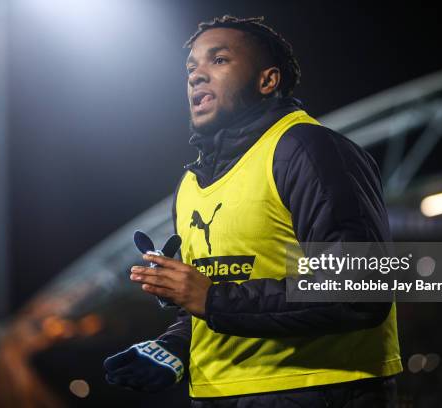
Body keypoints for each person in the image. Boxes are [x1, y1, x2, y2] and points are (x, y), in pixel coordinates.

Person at [104, 15, 402, 408]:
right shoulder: (189, 187)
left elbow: (360, 288)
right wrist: (174, 345)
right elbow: (208, 301)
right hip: (214, 397)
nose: (196, 76)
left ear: (267, 81)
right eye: (191, 67)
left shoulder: (309, 151)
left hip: (320, 391)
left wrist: (213, 300)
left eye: (219, 60)